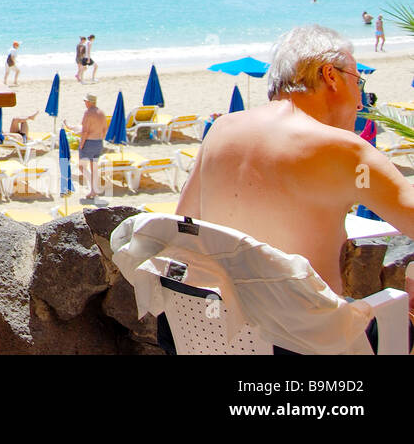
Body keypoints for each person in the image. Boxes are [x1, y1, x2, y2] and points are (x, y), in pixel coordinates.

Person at [177, 24, 414, 298]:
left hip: (222, 332)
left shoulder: (221, 130)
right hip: (312, 337)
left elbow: (183, 224)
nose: (360, 102)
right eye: (357, 82)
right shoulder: (345, 151)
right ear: (330, 76)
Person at [75, 94, 108, 200]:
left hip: (89, 142)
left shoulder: (88, 113)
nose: (85, 103)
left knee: (82, 167)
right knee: (94, 167)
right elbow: (105, 130)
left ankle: (93, 188)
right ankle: (94, 189)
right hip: (98, 142)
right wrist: (100, 139)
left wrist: (81, 144)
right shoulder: (101, 113)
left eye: (86, 101)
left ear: (90, 102)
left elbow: (85, 131)